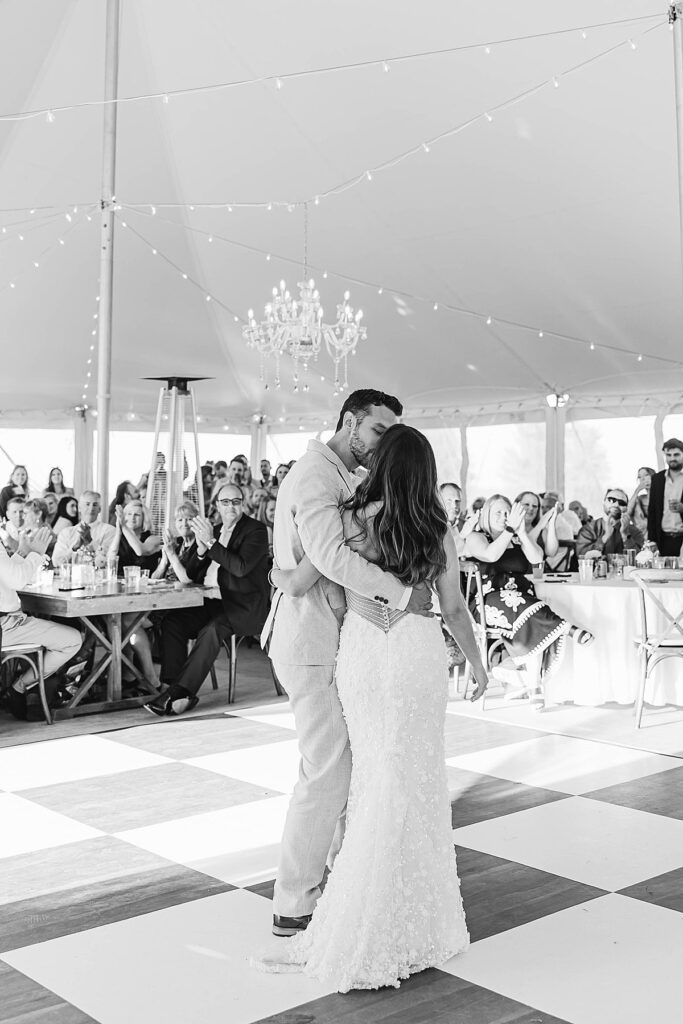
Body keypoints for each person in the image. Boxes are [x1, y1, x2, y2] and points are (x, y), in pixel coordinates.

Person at [254, 424, 487, 991]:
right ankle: (414, 919)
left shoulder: (353, 519)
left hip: (360, 652)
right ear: (426, 473)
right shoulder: (438, 528)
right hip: (415, 654)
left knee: (372, 779)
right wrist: (478, 664)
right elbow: (454, 608)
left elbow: (304, 575)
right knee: (415, 777)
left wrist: (278, 575)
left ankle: (359, 907)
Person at [258, 388, 438, 946]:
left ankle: (341, 882)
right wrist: (400, 594)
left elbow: (315, 561)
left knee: (350, 766)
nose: (383, 442)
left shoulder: (346, 477)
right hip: (309, 640)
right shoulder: (315, 475)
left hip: (337, 639)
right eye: (378, 429)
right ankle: (294, 903)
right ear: (349, 421)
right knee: (327, 770)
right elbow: (331, 556)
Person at [145, 483, 270, 716]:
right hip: (211, 603)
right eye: (225, 502)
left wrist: (211, 543)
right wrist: (202, 550)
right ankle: (171, 686)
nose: (231, 506)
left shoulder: (256, 530)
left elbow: (240, 568)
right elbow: (191, 575)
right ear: (217, 505)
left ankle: (180, 693)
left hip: (242, 606)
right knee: (173, 621)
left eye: (236, 501)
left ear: (242, 504)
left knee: (211, 630)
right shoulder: (214, 530)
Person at [464, 495, 592, 707]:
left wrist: (521, 532)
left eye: (507, 513)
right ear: (486, 514)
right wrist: (509, 531)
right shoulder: (476, 537)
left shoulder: (516, 538)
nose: (503, 517)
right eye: (498, 512)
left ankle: (531, 685)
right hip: (488, 601)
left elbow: (537, 559)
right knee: (529, 609)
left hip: (524, 600)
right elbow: (490, 556)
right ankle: (565, 627)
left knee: (532, 618)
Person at [1, 526, 82, 719]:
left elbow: (6, 575)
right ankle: (19, 687)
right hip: (6, 626)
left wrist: (22, 553)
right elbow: (17, 580)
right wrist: (36, 554)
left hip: (9, 622)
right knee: (72, 640)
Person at [108, 500, 162, 691]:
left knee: (127, 620)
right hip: (121, 598)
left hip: (149, 599)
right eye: (128, 514)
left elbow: (141, 550)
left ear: (144, 518)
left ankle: (149, 677)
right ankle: (127, 673)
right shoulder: (121, 536)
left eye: (136, 515)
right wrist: (118, 531)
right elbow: (110, 560)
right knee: (111, 618)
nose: (131, 518)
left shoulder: (153, 538)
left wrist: (123, 526)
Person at [576, 488, 644, 558]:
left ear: (626, 508)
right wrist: (605, 537)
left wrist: (626, 536)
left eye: (621, 503)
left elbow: (641, 560)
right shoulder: (588, 529)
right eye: (611, 500)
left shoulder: (635, 531)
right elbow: (582, 557)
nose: (616, 505)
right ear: (604, 503)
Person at [52, 491, 116, 565]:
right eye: (87, 504)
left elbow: (109, 560)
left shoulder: (109, 531)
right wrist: (74, 548)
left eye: (95, 505)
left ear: (99, 509)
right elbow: (56, 562)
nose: (91, 508)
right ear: (79, 508)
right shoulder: (66, 532)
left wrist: (91, 543)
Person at [647, 439, 683, 556]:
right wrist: (652, 540)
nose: (672, 458)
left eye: (676, 455)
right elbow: (652, 511)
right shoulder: (657, 479)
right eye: (668, 455)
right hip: (663, 540)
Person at [152, 501, 199, 584]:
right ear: (175, 523)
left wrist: (171, 554)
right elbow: (154, 579)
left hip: (187, 590)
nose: (184, 524)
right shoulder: (176, 542)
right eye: (180, 520)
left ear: (197, 521)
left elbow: (188, 581)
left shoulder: (200, 545)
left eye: (189, 519)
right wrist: (164, 561)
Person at [516, 490, 560, 567]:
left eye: (534, 506)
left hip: (539, 573)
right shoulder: (510, 530)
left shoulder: (542, 531)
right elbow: (524, 549)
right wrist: (540, 525)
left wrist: (551, 523)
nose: (531, 508)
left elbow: (551, 553)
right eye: (526, 504)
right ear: (516, 506)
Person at [627, 467, 655, 538]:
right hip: (642, 535)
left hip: (660, 533)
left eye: (646, 475)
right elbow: (627, 513)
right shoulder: (639, 499)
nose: (643, 479)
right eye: (640, 477)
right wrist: (637, 490)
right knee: (635, 502)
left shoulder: (663, 497)